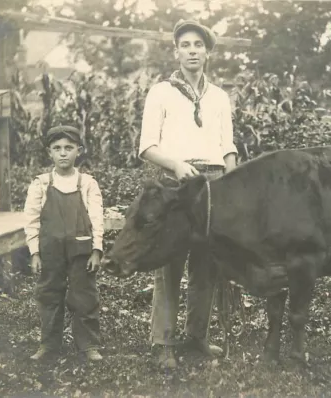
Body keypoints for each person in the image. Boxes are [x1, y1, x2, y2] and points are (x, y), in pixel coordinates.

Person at [138, 19, 238, 369]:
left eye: (199, 45)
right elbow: (147, 145)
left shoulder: (220, 97)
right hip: (174, 182)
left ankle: (197, 337)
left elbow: (227, 145)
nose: (192, 51)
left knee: (206, 265)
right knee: (169, 264)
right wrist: (177, 165)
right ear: (176, 51)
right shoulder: (161, 92)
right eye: (186, 45)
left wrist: (231, 177)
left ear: (208, 52)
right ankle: (164, 342)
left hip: (212, 184)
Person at [23, 125, 105, 362]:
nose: (63, 153)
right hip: (50, 251)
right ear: (49, 152)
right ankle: (49, 344)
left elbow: (97, 219)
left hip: (81, 250)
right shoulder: (41, 183)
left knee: (85, 295)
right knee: (49, 295)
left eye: (68, 148)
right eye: (57, 148)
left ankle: (88, 344)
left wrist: (96, 250)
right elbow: (31, 219)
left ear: (78, 150)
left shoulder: (87, 183)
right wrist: (35, 252)